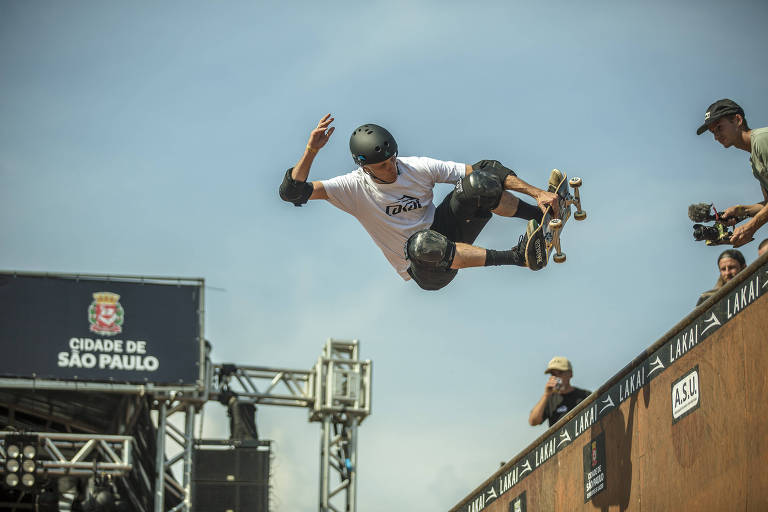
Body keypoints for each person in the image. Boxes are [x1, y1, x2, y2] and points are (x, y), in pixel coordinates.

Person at [279, 114, 560, 290]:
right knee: (423, 243)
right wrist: (310, 151)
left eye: (392, 160)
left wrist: (538, 193)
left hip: (445, 229)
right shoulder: (351, 187)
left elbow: (487, 170)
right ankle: (517, 257)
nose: (392, 168)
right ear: (365, 167)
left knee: (478, 181)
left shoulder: (415, 166)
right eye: (383, 166)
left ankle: (541, 213)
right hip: (423, 267)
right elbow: (293, 192)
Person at [696, 99, 768, 247]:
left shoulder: (762, 140)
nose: (716, 137)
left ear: (737, 120)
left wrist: (751, 227)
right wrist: (741, 210)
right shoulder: (754, 160)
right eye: (713, 132)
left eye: (719, 128)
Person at [528, 357, 591, 428]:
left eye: (560, 373)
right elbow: (533, 421)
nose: (556, 377)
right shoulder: (549, 399)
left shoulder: (585, 395)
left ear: (570, 374)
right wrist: (546, 394)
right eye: (553, 374)